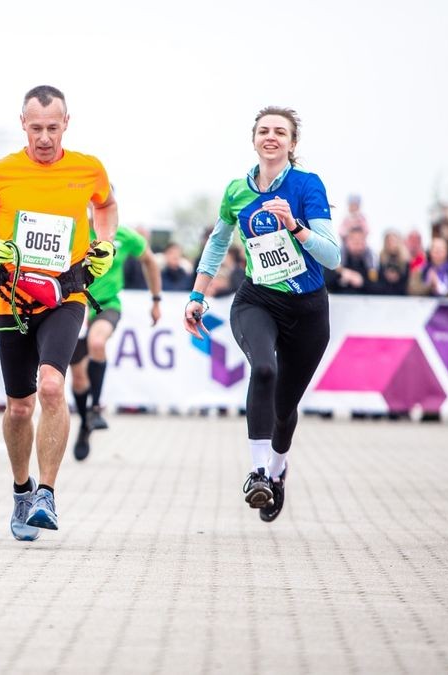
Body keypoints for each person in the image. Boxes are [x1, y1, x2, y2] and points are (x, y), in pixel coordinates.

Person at [0, 85, 117, 540]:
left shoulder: (88, 168)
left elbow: (106, 207)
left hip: (67, 296)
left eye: (53, 127)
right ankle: (22, 490)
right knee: (20, 408)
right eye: (36, 127)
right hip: (13, 299)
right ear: (22, 124)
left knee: (51, 385)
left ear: (67, 123)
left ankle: (47, 492)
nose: (44, 137)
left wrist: (105, 243)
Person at [184, 106, 340, 524]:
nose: (271, 137)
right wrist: (197, 296)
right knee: (264, 371)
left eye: (280, 132)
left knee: (286, 410)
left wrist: (296, 228)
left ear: (292, 143)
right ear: (254, 139)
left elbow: (333, 255)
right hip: (257, 300)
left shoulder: (307, 186)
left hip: (307, 310)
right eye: (264, 131)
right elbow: (218, 244)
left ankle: (276, 473)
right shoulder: (237, 190)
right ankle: (256, 473)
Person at [69, 224, 161, 460]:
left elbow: (149, 261)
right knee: (78, 378)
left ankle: (97, 408)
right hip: (73, 306)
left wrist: (156, 299)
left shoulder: (124, 236)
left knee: (97, 343)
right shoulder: (73, 230)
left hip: (107, 304)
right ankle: (84, 425)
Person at [326, 227, 374, 294]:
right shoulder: (335, 260)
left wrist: (362, 281)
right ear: (347, 241)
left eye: (362, 241)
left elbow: (377, 285)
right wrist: (342, 274)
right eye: (355, 242)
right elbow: (327, 283)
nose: (359, 246)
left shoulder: (370, 262)